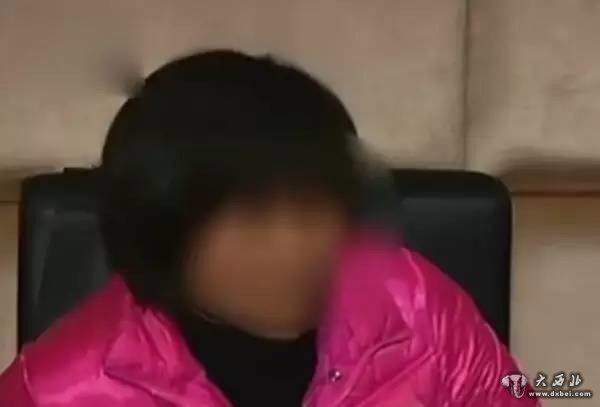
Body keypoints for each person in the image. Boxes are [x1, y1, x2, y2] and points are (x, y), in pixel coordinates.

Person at [0, 50, 539, 406]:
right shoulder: (54, 392)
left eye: (314, 204)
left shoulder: (416, 305)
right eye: (254, 216)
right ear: (164, 232)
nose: (297, 246)